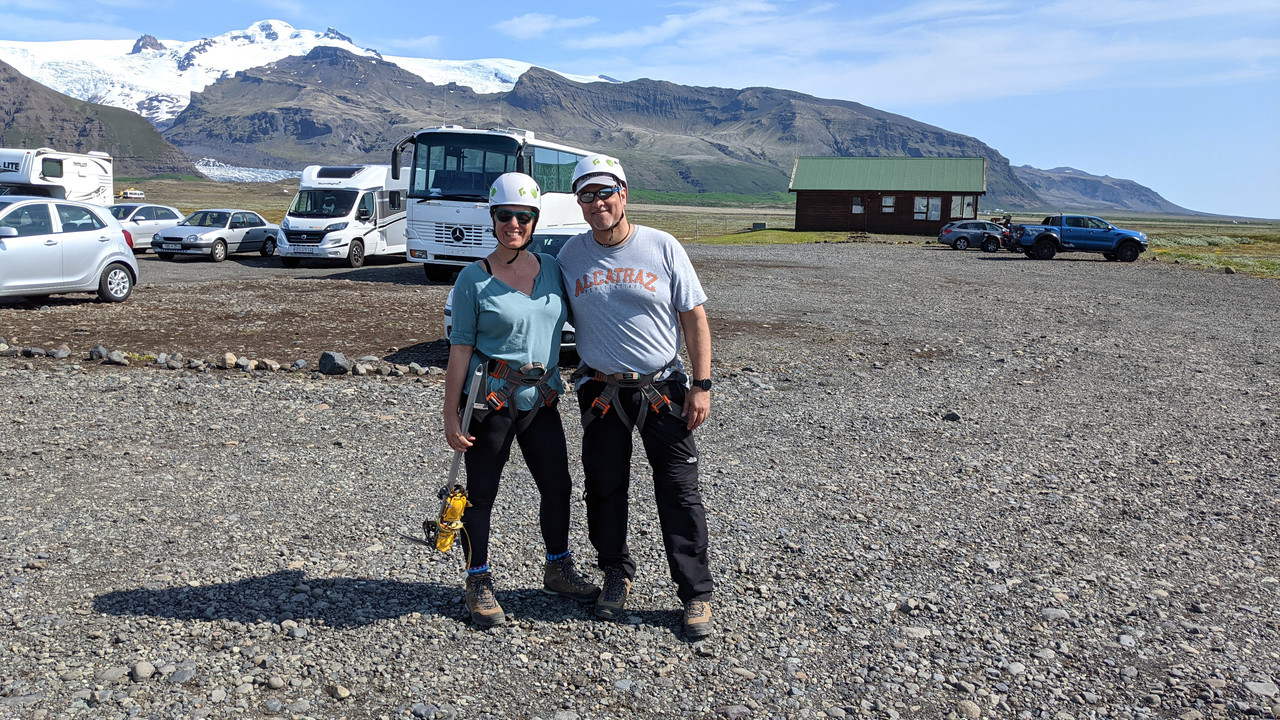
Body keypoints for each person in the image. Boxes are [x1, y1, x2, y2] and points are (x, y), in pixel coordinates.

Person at [557, 154, 716, 639]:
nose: (597, 202)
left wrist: (702, 384)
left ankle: (694, 595)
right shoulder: (570, 257)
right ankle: (615, 574)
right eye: (587, 195)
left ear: (623, 194)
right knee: (604, 487)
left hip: (663, 386)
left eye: (605, 192)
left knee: (679, 490)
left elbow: (694, 318)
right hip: (600, 390)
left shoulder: (662, 247)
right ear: (579, 203)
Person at [442, 172, 599, 627]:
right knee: (481, 496)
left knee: (558, 486)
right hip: (490, 402)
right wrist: (451, 414)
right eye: (506, 215)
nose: (515, 223)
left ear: (534, 221)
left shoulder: (552, 269)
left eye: (524, 216)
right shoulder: (473, 279)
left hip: (542, 399)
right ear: (493, 219)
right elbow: (460, 350)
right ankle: (477, 580)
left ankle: (558, 567)